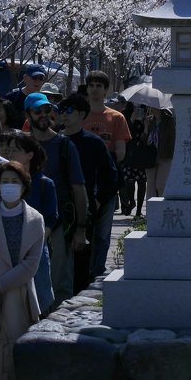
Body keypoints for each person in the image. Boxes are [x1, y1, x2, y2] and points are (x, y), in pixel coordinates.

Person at [0, 161, 45, 380]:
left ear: (24, 185)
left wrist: (1, 285)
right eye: (5, 182)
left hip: (19, 293)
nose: (9, 186)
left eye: (15, 182)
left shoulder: (35, 219)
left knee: (19, 350)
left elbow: (31, 264)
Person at [25, 92, 88, 306]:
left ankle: (60, 328)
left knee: (61, 280)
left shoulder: (64, 145)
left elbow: (78, 188)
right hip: (27, 222)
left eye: (46, 110)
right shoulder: (23, 145)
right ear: (28, 114)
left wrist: (81, 228)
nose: (44, 115)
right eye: (37, 111)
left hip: (61, 223)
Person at [58, 93, 119, 284]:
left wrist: (97, 201)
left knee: (81, 262)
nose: (64, 115)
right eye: (61, 111)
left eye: (69, 111)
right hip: (57, 207)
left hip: (84, 209)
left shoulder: (93, 142)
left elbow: (111, 176)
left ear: (82, 114)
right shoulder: (56, 140)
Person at [0, 131, 57, 314]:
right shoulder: (3, 181)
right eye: (8, 150)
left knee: (39, 300)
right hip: (5, 252)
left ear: (30, 155)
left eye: (15, 150)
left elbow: (50, 218)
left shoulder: (45, 184)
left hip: (36, 250)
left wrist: (34, 243)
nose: (10, 154)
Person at [3, 64, 47, 128]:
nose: (37, 81)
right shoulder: (12, 96)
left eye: (41, 78)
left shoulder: (45, 100)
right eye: (34, 77)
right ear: (25, 78)